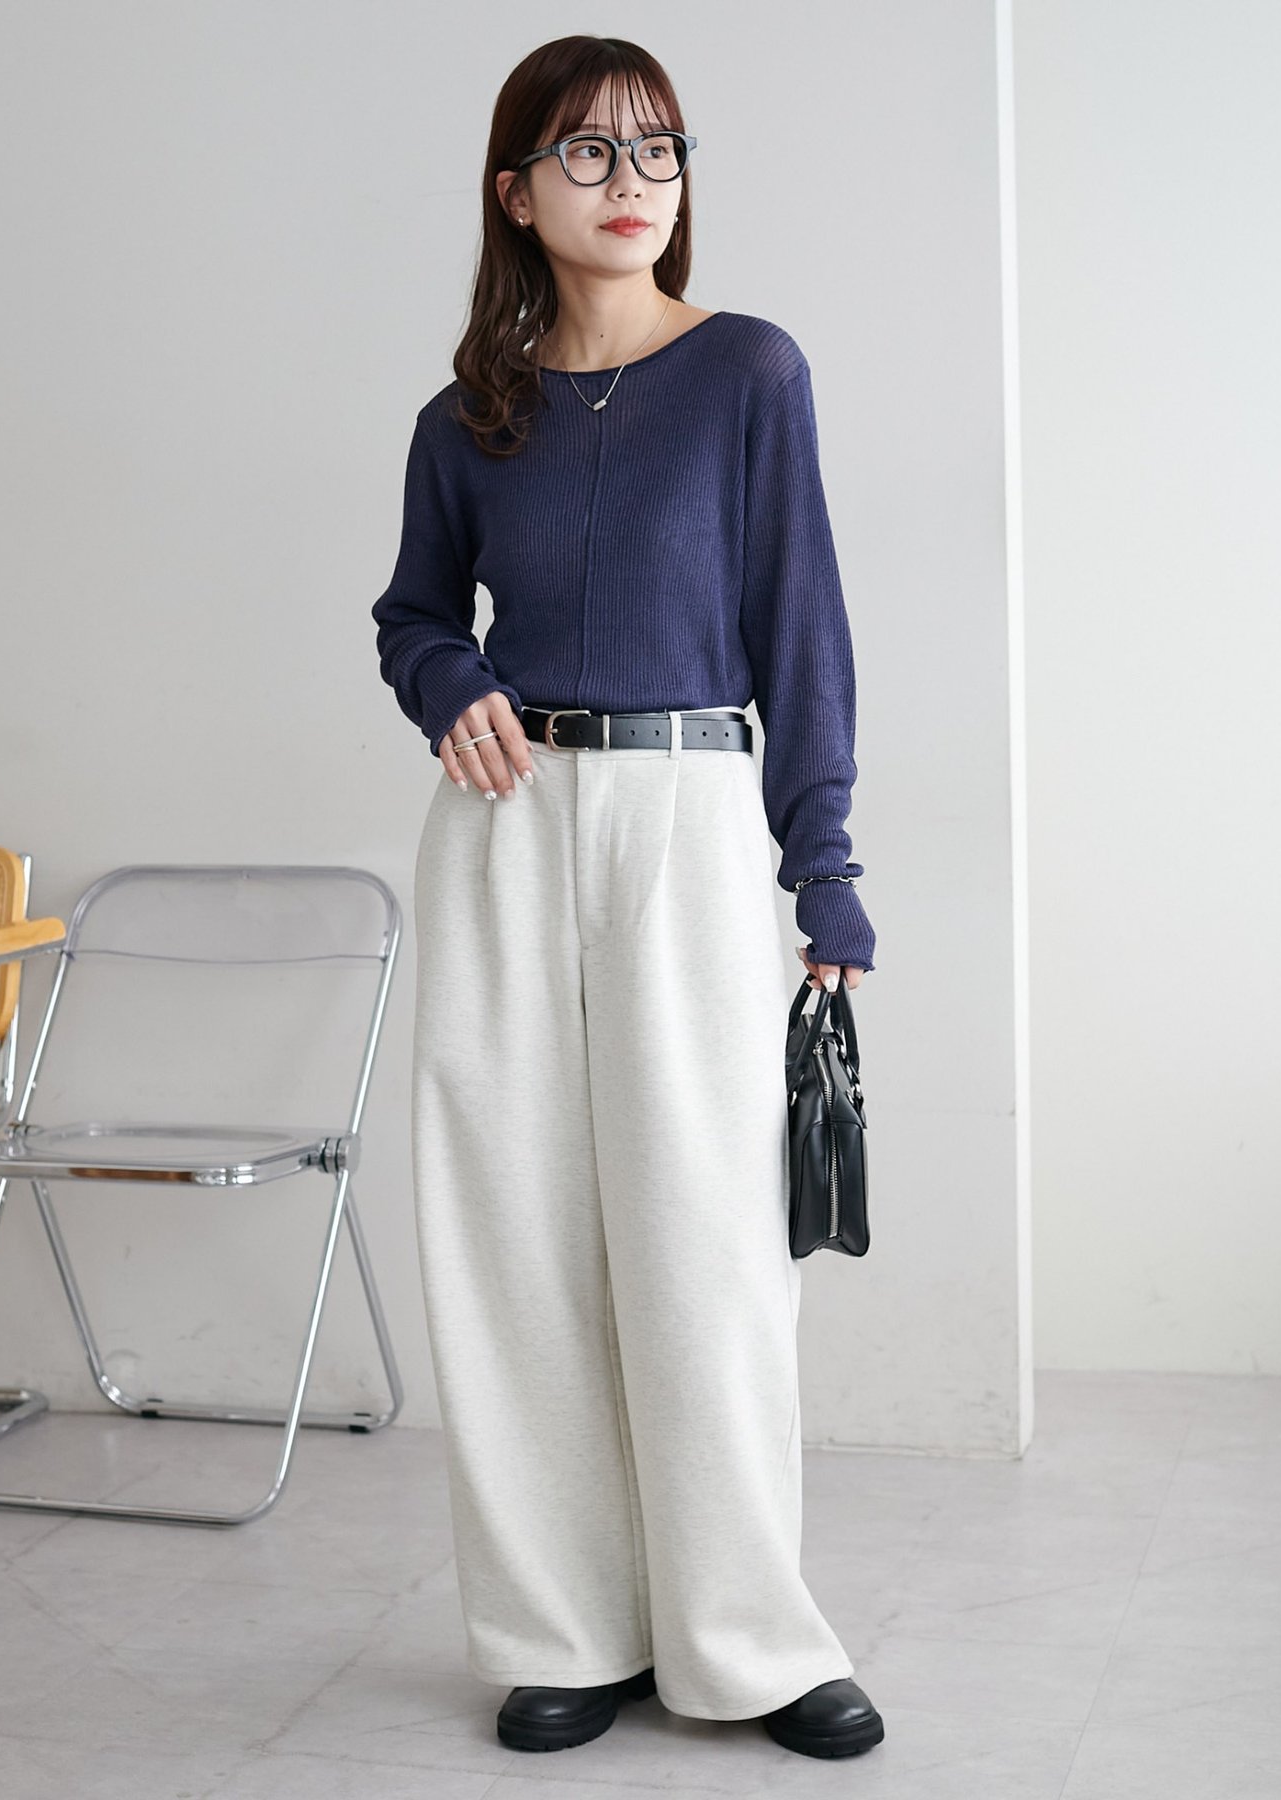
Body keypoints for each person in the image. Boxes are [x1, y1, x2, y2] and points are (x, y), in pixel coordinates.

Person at [370, 36, 884, 1763]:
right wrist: (451, 683)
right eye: (586, 152)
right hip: (507, 826)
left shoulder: (748, 371)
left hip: (691, 813)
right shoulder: (469, 422)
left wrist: (827, 868)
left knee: (707, 1241)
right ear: (515, 192)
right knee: (512, 1233)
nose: (631, 181)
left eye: (657, 148)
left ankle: (746, 1638)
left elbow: (802, 628)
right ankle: (564, 1631)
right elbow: (414, 615)